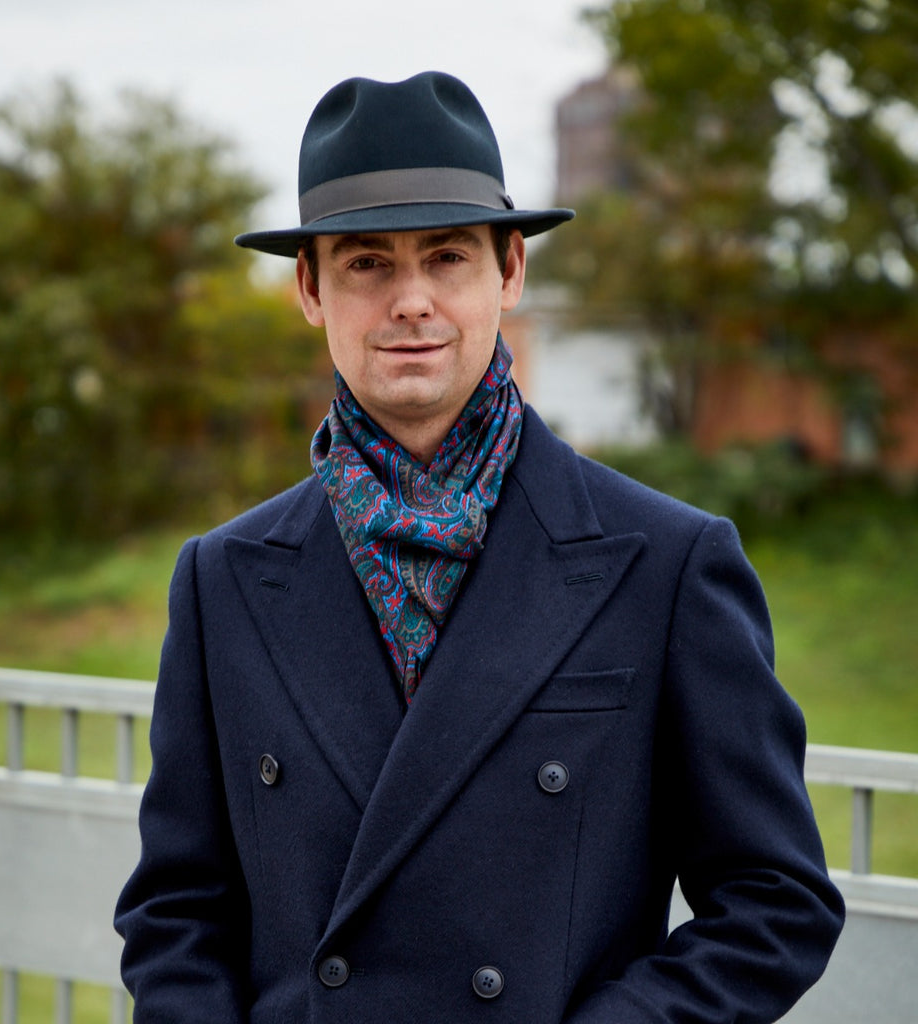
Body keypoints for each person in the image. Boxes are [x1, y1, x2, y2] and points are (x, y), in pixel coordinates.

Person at [115, 71, 844, 1023]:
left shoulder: (666, 563)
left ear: (510, 272)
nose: (411, 300)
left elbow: (776, 903)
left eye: (448, 256)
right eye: (367, 263)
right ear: (310, 288)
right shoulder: (223, 580)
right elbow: (177, 913)